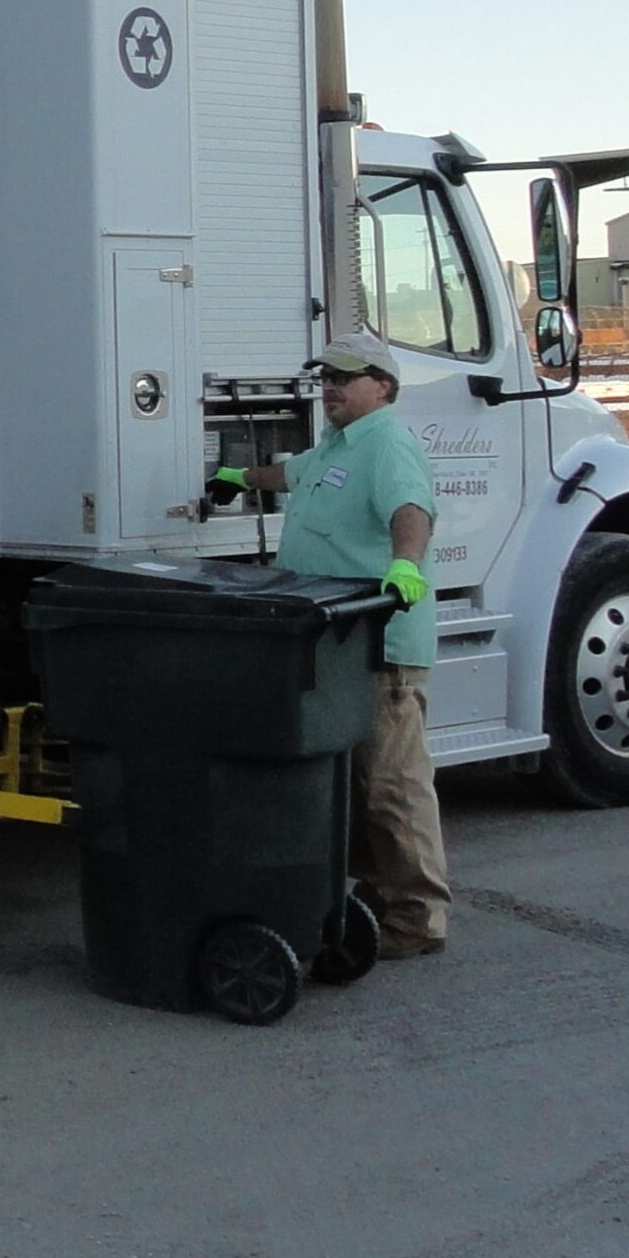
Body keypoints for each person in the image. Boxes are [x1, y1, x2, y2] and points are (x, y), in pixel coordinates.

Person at [202, 335, 449, 957]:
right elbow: (292, 472)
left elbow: (410, 508)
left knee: (392, 783)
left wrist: (406, 565)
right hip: (337, 644)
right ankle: (375, 898)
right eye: (325, 378)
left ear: (383, 386)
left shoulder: (388, 442)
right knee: (354, 785)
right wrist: (239, 476)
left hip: (380, 641)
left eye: (345, 377)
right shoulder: (340, 445)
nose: (330, 387)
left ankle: (418, 919)